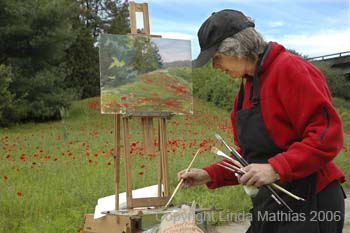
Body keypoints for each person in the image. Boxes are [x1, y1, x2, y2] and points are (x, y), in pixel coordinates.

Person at [177, 9, 346, 233]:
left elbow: (327, 136)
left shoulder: (290, 69)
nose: (216, 67)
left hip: (310, 203)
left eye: (216, 58)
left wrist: (276, 168)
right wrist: (209, 174)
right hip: (271, 205)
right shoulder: (247, 87)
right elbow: (249, 159)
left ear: (235, 49)